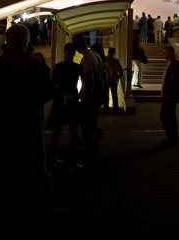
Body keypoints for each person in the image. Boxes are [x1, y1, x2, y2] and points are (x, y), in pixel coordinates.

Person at [0, 23, 55, 216]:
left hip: (4, 124)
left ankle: (2, 207)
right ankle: (43, 209)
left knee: (4, 166)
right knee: (37, 167)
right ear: (27, 41)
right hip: (29, 123)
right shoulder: (36, 66)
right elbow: (48, 93)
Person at [72, 34, 107, 164]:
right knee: (92, 123)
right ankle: (94, 144)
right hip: (98, 96)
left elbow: (88, 80)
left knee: (87, 125)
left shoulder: (85, 59)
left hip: (90, 98)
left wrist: (83, 96)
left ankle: (90, 151)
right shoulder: (95, 55)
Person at [48, 42, 81, 166]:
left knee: (57, 128)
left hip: (60, 100)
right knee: (73, 128)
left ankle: (53, 153)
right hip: (73, 99)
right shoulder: (78, 67)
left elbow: (53, 84)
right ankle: (72, 154)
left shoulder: (57, 67)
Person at [160, 45, 179, 146]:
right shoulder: (171, 64)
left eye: (165, 52)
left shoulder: (175, 64)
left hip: (171, 96)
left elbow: (174, 82)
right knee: (168, 116)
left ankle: (172, 138)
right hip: (169, 95)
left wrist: (168, 95)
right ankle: (171, 137)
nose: (163, 54)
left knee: (166, 116)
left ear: (170, 53)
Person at [105, 47, 124, 114]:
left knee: (106, 95)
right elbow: (121, 70)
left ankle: (106, 108)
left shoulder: (104, 60)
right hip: (114, 80)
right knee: (114, 95)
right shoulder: (116, 60)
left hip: (106, 80)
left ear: (108, 52)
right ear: (114, 53)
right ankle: (115, 109)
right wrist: (118, 76)